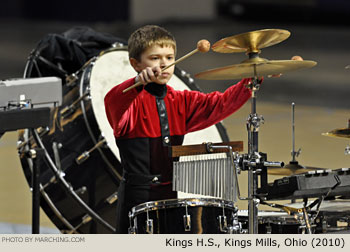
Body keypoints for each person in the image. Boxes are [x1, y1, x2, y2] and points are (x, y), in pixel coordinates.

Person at [104, 25, 298, 233]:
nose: (164, 64)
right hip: (136, 197)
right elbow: (113, 101)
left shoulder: (181, 100)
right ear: (135, 64)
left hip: (170, 194)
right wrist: (137, 82)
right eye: (155, 58)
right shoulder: (129, 104)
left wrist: (255, 74)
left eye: (169, 58)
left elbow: (222, 103)